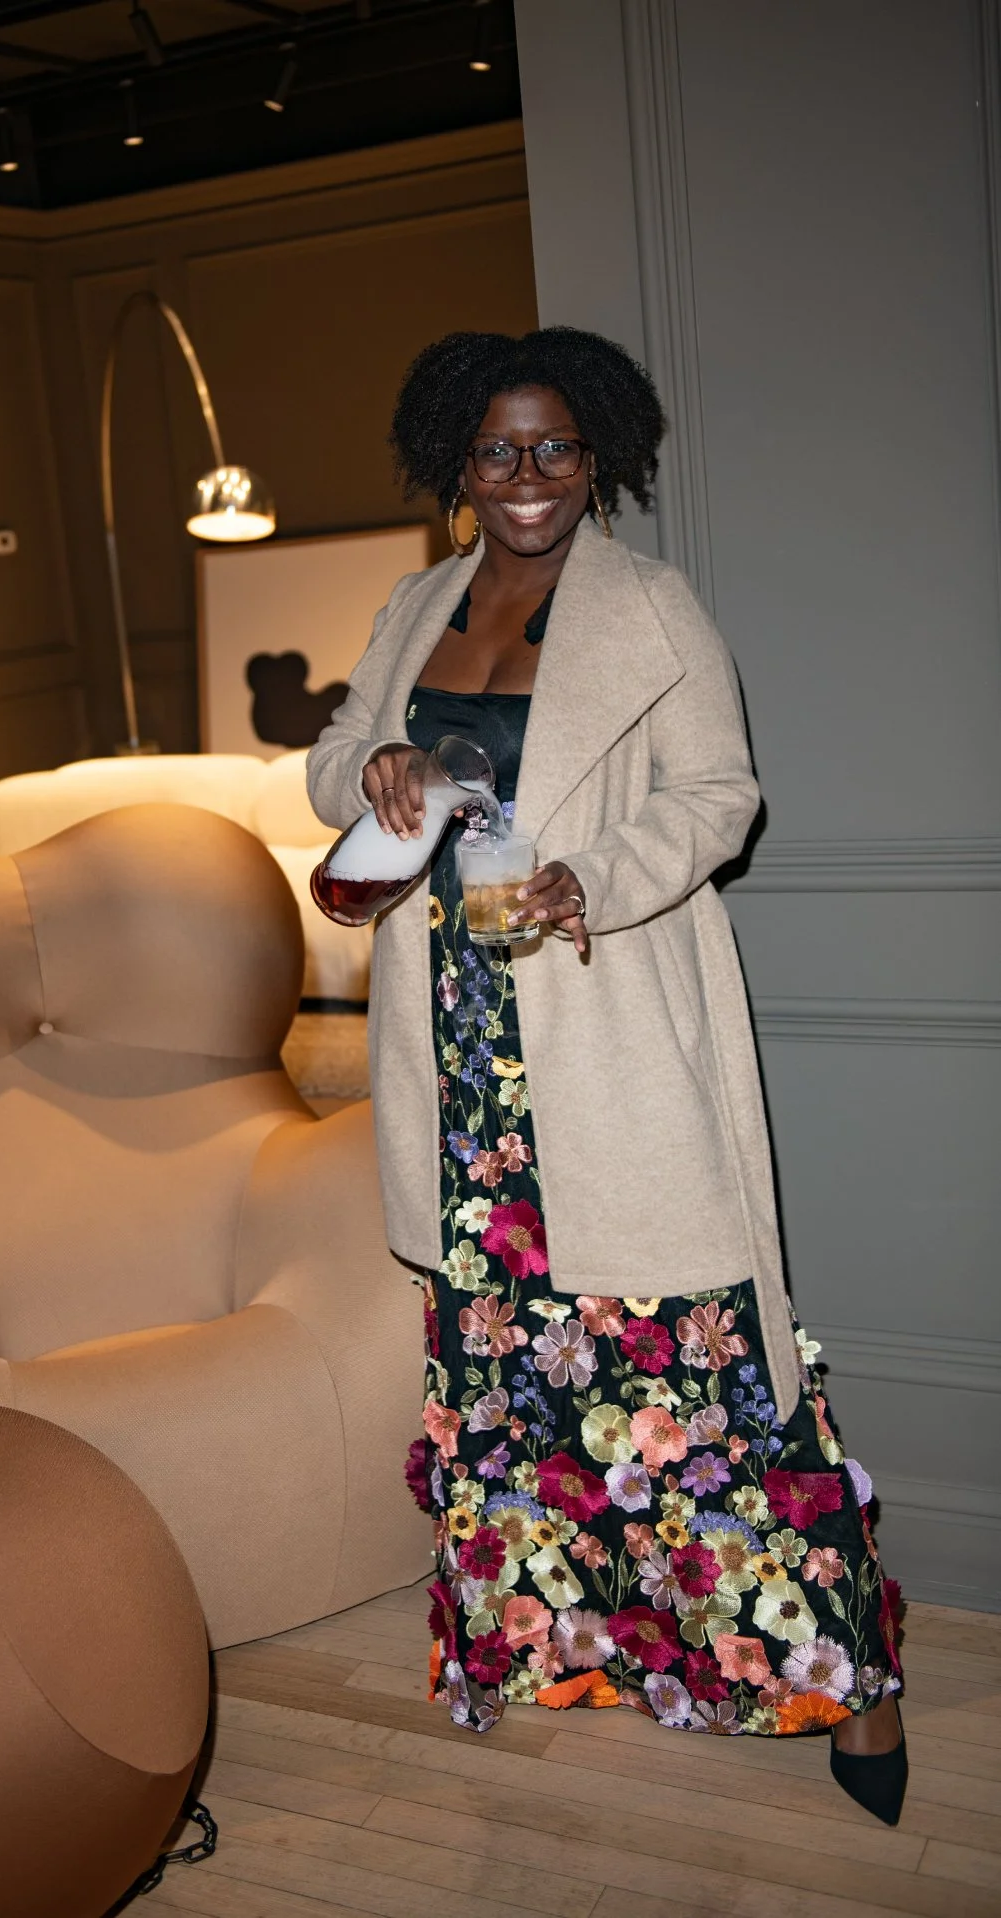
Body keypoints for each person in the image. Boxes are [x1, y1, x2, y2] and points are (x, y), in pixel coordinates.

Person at [307, 327, 906, 1823]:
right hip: (455, 1041)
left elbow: (721, 793)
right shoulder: (413, 604)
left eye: (556, 449)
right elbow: (332, 759)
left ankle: (853, 1685)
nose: (528, 477)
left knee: (690, 1359)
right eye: (499, 450)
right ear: (458, 460)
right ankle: (573, 1653)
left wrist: (596, 875)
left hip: (601, 1010)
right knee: (511, 1364)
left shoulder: (652, 606)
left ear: (600, 458)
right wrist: (377, 765)